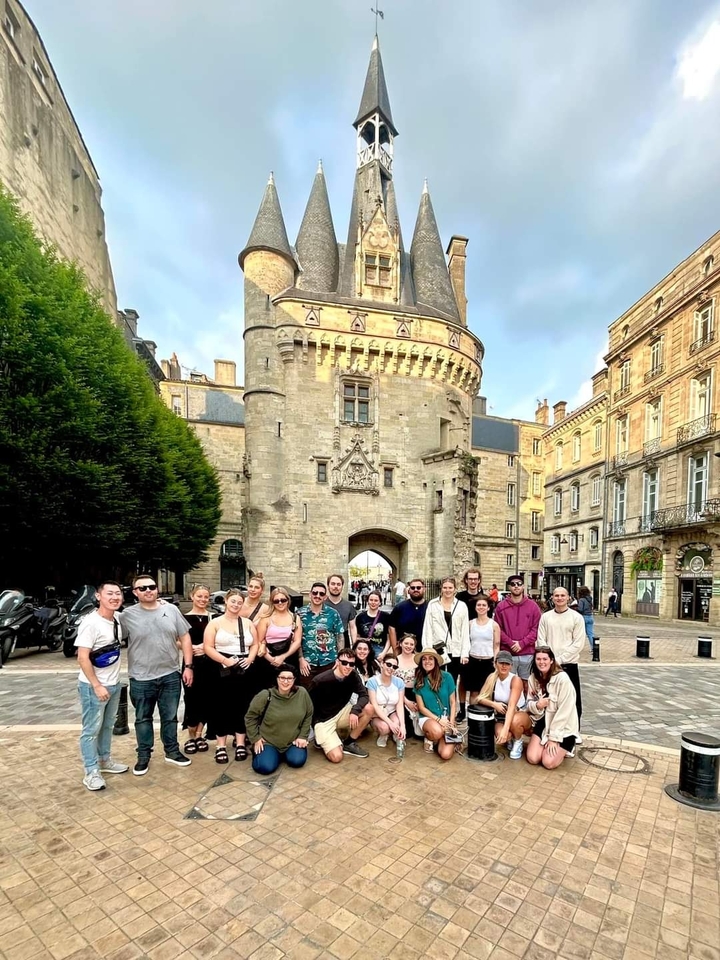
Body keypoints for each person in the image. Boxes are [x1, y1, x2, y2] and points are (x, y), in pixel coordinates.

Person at [120, 574, 194, 776]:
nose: (148, 591)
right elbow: (113, 639)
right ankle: (143, 755)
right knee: (143, 719)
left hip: (170, 674)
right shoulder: (127, 615)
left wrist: (188, 666)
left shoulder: (171, 610)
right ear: (135, 592)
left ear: (157, 589)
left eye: (151, 587)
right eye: (142, 588)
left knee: (170, 717)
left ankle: (172, 751)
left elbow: (185, 638)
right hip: (141, 678)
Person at [75, 581, 128, 791]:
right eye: (110, 593)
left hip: (113, 684)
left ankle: (104, 761)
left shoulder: (115, 619)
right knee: (91, 729)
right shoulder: (91, 622)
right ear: (98, 596)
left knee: (107, 726)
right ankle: (91, 771)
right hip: (94, 687)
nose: (115, 597)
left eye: (118, 594)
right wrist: (96, 685)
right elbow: (82, 657)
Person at [203, 587, 259, 763]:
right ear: (226, 601)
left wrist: (250, 659)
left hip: (244, 668)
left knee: (243, 705)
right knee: (221, 706)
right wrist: (225, 661)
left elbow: (256, 644)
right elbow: (208, 647)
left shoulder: (247, 623)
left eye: (239, 602)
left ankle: (241, 742)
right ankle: (221, 745)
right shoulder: (215, 623)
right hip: (222, 668)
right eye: (233, 601)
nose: (236, 605)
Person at [245, 667, 314, 774]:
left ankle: (278, 756)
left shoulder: (302, 693)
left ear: (294, 679)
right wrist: (255, 738)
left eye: (289, 678)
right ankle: (267, 755)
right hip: (269, 741)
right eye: (282, 678)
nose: (286, 681)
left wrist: (303, 736)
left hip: (292, 741)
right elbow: (250, 717)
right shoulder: (265, 695)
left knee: (297, 761)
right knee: (265, 768)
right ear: (276, 679)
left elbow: (308, 714)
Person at [537, 587, 585, 738]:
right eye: (556, 595)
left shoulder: (576, 618)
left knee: (572, 698)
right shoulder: (546, 617)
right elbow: (541, 639)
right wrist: (547, 659)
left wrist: (560, 659)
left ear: (568, 597)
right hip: (548, 665)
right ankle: (549, 728)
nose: (559, 598)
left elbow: (578, 643)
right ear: (552, 598)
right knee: (549, 697)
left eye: (562, 595)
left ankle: (574, 732)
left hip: (568, 664)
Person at [309, 648, 372, 761]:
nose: (348, 666)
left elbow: (364, 695)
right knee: (337, 757)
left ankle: (349, 742)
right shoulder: (320, 680)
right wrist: (313, 725)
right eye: (344, 663)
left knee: (369, 709)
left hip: (341, 712)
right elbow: (308, 705)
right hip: (323, 720)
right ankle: (323, 738)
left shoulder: (353, 675)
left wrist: (355, 711)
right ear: (337, 662)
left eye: (351, 664)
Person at [421, 577, 470, 720]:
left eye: (450, 588)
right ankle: (436, 711)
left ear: (455, 589)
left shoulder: (461, 606)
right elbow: (428, 628)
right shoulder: (432, 604)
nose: (447, 590)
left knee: (452, 683)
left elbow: (465, 630)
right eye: (445, 587)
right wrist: (427, 649)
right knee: (435, 679)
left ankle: (450, 713)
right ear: (441, 589)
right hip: (438, 650)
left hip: (455, 650)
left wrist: (464, 652)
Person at [522, 646, 579, 768]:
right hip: (543, 722)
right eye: (538, 659)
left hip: (562, 726)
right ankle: (544, 744)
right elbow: (529, 703)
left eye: (545, 659)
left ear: (551, 660)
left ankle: (568, 746)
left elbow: (565, 710)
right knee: (533, 758)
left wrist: (554, 738)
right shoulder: (533, 678)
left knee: (548, 762)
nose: (541, 662)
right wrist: (537, 705)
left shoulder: (562, 679)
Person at [493, 575, 541, 694]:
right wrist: (510, 643)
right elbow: (498, 628)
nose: (516, 586)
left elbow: (536, 628)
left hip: (527, 653)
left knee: (527, 686)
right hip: (508, 653)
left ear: (523, 586)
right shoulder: (501, 607)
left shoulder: (533, 606)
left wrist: (522, 643)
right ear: (509, 587)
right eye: (513, 584)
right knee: (508, 685)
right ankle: (510, 710)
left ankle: (526, 710)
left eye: (519, 584)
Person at [475, 650, 527, 759]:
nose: (504, 666)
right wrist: (494, 704)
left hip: (518, 712)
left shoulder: (515, 679)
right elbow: (479, 698)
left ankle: (518, 741)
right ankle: (510, 737)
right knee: (501, 735)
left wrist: (505, 728)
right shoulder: (492, 678)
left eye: (507, 663)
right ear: (495, 663)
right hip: (501, 715)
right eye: (501, 663)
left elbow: (512, 706)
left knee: (514, 722)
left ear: (511, 665)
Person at [182, 583, 214, 754]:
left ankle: (200, 734)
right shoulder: (184, 618)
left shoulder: (213, 617)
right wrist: (188, 648)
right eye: (199, 596)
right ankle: (191, 736)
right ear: (192, 596)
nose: (203, 599)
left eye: (205, 597)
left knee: (207, 698)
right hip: (191, 663)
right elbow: (177, 640)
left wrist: (206, 647)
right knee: (191, 699)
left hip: (209, 663)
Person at [414, 648, 458, 761]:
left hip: (446, 717)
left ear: (436, 661)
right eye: (424, 659)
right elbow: (421, 708)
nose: (427, 661)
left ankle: (442, 740)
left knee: (446, 755)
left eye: (430, 658)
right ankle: (430, 736)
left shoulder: (447, 677)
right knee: (437, 731)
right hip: (428, 717)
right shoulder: (419, 680)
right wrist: (439, 721)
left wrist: (451, 722)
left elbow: (453, 702)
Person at [297, 582, 345, 686]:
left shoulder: (333, 613)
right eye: (315, 593)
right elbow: (296, 639)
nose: (317, 596)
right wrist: (300, 658)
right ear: (310, 594)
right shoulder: (300, 614)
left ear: (325, 597)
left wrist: (340, 659)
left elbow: (339, 636)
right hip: (307, 663)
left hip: (329, 662)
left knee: (328, 694)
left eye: (321, 594)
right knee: (307, 694)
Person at [255, 587, 303, 689]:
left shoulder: (295, 618)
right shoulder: (266, 618)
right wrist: (271, 659)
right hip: (268, 658)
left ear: (288, 600)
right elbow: (259, 640)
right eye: (276, 601)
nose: (280, 603)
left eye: (283, 600)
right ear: (272, 602)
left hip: (289, 657)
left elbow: (297, 641)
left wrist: (283, 657)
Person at [465, 595, 500, 701]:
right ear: (475, 607)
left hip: (488, 662)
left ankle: (486, 716)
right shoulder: (470, 624)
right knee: (473, 692)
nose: (481, 607)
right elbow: (466, 642)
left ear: (488, 608)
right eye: (479, 605)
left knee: (487, 692)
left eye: (484, 605)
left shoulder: (494, 625)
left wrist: (495, 661)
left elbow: (496, 645)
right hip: (473, 661)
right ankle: (472, 715)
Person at [367, 654, 406, 747]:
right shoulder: (372, 681)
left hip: (392, 711)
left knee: (397, 723)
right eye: (388, 664)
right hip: (377, 713)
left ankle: (396, 734)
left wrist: (402, 725)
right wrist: (390, 723)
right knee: (385, 728)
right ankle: (383, 734)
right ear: (382, 664)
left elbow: (400, 704)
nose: (391, 668)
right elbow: (374, 705)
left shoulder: (399, 682)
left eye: (394, 666)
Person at [388, 577, 428, 652]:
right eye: (412, 588)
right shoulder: (399, 607)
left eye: (418, 587)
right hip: (404, 651)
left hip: (424, 650)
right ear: (408, 590)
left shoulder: (430, 607)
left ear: (424, 589)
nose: (415, 589)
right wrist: (395, 650)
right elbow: (391, 628)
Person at [394, 633, 421, 736]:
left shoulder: (418, 660)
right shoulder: (395, 660)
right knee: (408, 733)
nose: (408, 646)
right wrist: (406, 702)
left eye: (411, 644)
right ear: (400, 644)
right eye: (406, 643)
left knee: (418, 733)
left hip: (416, 693)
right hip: (400, 694)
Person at [356, 589, 392, 658]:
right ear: (368, 601)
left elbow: (389, 638)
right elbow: (357, 637)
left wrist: (384, 653)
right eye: (371, 600)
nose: (373, 602)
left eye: (376, 600)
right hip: (364, 650)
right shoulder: (360, 617)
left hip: (379, 649)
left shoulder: (386, 616)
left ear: (380, 602)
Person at [325, 573, 358, 645]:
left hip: (344, 639)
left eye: (338, 584)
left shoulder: (349, 606)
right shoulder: (322, 605)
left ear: (342, 586)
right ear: (328, 586)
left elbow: (352, 627)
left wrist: (355, 646)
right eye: (333, 584)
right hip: (325, 639)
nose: (336, 587)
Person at [577, 586, 595, 653]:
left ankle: (577, 648)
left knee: (579, 633)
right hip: (590, 616)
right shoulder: (590, 599)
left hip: (583, 617)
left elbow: (580, 609)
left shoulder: (582, 600)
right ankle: (594, 648)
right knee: (590, 634)